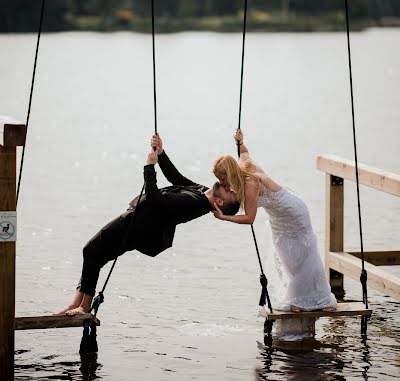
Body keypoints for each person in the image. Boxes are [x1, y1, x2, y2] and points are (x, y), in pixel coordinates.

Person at [56, 134, 239, 316]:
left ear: (220, 202)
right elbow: (176, 177)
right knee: (96, 256)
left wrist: (149, 166)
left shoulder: (195, 204)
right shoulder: (201, 191)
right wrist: (161, 153)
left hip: (137, 226)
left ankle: (84, 306)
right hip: (138, 223)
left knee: (91, 250)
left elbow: (154, 199)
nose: (228, 186)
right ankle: (76, 304)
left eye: (229, 191)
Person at [212, 129, 336, 338]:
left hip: (292, 211)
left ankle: (311, 300)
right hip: (278, 218)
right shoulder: (244, 164)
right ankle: (302, 299)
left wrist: (224, 218)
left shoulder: (250, 183)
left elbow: (249, 218)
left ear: (230, 174)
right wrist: (240, 141)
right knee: (286, 256)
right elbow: (244, 151)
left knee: (301, 254)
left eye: (222, 180)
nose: (223, 184)